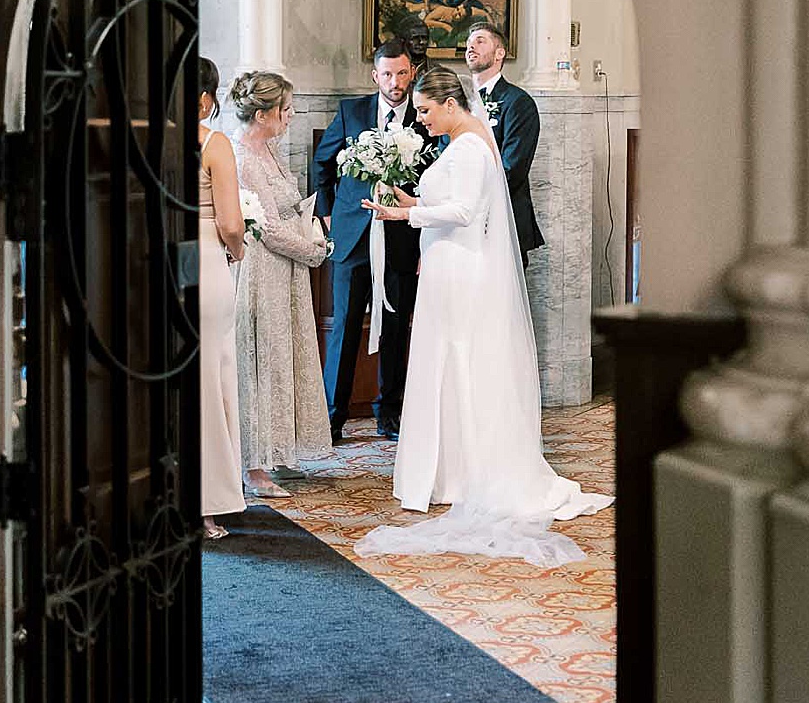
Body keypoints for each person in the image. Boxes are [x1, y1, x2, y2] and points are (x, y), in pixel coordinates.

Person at [354, 65, 612, 565]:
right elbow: (447, 202)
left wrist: (406, 215)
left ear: (450, 104)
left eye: (426, 110)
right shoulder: (465, 141)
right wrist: (406, 199)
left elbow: (466, 213)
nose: (422, 118)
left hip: (461, 270)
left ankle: (465, 473)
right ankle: (450, 472)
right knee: (447, 363)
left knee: (460, 362)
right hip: (448, 265)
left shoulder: (472, 147)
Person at [311, 39, 437, 442]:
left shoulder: (424, 120)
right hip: (351, 238)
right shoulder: (352, 112)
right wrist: (329, 215)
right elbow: (322, 165)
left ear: (412, 73)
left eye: (402, 74)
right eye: (387, 74)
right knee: (345, 328)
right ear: (375, 75)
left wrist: (425, 236)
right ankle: (333, 416)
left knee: (397, 328)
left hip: (402, 238)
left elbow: (434, 181)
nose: (395, 82)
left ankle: (390, 413)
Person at [229, 70, 331, 487]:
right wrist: (313, 251)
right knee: (261, 359)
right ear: (263, 115)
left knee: (283, 358)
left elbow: (286, 208)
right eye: (285, 110)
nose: (290, 117)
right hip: (261, 268)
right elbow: (266, 227)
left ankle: (278, 450)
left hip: (284, 268)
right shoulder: (241, 157)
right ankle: (254, 464)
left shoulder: (269, 149)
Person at [197, 57, 247, 539]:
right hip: (204, 256)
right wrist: (238, 250)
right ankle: (207, 506)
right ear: (207, 100)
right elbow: (231, 223)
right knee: (208, 380)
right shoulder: (214, 144)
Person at [464, 24, 545, 266]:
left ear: (500, 53)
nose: (471, 46)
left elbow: (513, 167)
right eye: (469, 42)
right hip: (461, 219)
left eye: (480, 41)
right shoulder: (457, 101)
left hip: (501, 217)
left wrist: (470, 198)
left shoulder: (517, 102)